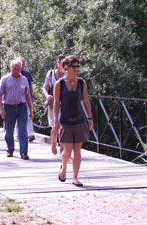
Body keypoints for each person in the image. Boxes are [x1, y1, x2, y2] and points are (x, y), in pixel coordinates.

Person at [53, 55, 94, 187]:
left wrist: (90, 117)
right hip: (65, 120)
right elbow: (56, 103)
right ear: (66, 68)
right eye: (73, 67)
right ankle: (64, 168)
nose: (76, 69)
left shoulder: (82, 83)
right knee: (67, 151)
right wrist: (55, 121)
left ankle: (75, 177)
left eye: (77, 66)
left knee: (77, 150)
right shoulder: (59, 84)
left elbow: (86, 101)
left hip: (79, 119)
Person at [0, 59, 34, 160]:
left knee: (23, 130)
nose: (16, 71)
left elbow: (28, 96)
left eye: (18, 69)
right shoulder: (5, 79)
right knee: (9, 131)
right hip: (8, 107)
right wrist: (0, 108)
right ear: (10, 68)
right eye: (14, 69)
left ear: (21, 69)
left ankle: (24, 152)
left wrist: (31, 110)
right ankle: (10, 149)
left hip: (22, 107)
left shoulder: (24, 79)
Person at [42, 54, 66, 155]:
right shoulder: (51, 73)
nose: (60, 64)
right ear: (56, 62)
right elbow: (44, 87)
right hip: (52, 104)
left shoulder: (68, 74)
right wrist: (47, 96)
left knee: (63, 126)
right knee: (54, 125)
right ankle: (53, 142)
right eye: (58, 62)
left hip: (64, 103)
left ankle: (62, 145)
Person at [16, 57, 35, 142]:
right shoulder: (14, 73)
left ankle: (30, 134)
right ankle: (18, 135)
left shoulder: (27, 74)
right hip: (16, 99)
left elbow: (30, 85)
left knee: (29, 115)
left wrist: (31, 96)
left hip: (26, 97)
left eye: (23, 63)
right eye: (21, 63)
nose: (22, 65)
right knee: (17, 117)